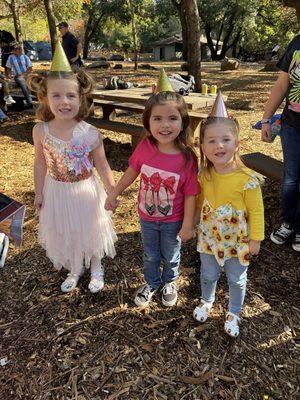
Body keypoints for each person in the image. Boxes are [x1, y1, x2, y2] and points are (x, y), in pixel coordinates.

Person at [105, 69, 199, 308]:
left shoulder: (187, 158)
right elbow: (131, 172)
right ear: (148, 122)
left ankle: (170, 281)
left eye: (172, 118)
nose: (165, 125)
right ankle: (152, 282)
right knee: (150, 254)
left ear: (183, 122)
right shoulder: (145, 147)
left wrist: (188, 224)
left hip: (173, 220)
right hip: (147, 217)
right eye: (157, 118)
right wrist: (114, 193)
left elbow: (190, 194)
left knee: (171, 254)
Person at [29, 41, 117, 293]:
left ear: (81, 98)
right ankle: (76, 267)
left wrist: (112, 190)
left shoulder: (89, 133)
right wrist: (38, 192)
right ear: (46, 98)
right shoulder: (41, 131)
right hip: (57, 190)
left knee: (91, 228)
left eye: (71, 95)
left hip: (85, 191)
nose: (64, 101)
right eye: (56, 95)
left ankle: (96, 265)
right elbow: (39, 163)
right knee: (68, 230)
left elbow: (102, 163)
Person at [193, 92, 264, 337]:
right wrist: (192, 224)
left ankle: (234, 311)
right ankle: (207, 300)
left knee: (236, 278)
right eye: (211, 141)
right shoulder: (204, 175)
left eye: (225, 139)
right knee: (208, 273)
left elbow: (256, 211)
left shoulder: (247, 180)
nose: (218, 146)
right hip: (209, 237)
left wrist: (256, 239)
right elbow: (200, 201)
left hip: (237, 241)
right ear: (203, 146)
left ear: (237, 144)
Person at [261, 34, 300, 252]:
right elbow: (281, 85)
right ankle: (288, 223)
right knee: (292, 178)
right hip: (292, 126)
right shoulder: (297, 42)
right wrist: (267, 119)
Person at [5, 43, 33, 108]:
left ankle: (30, 101)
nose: (14, 50)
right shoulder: (11, 57)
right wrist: (9, 74)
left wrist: (22, 74)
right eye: (13, 49)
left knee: (27, 81)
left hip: (26, 76)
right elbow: (8, 68)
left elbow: (30, 69)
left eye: (15, 49)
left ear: (20, 50)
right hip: (17, 77)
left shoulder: (25, 57)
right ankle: (29, 102)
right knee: (20, 80)